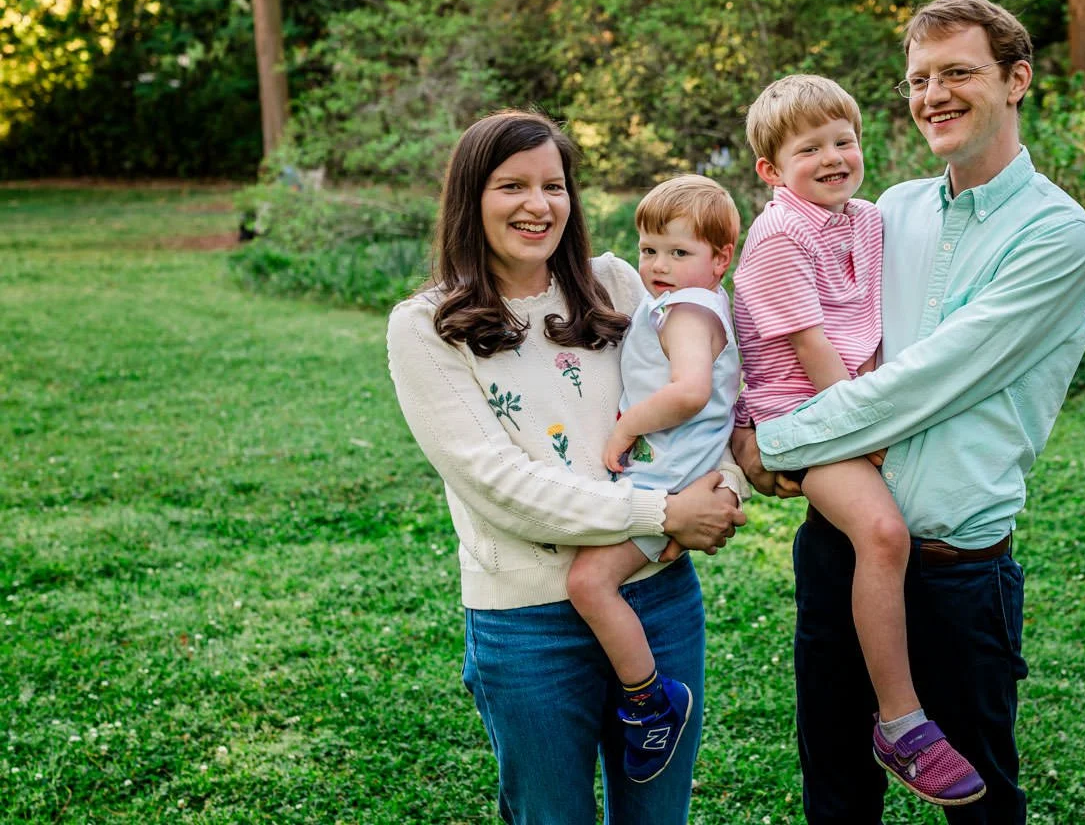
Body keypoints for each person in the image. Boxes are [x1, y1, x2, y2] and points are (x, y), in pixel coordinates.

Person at [731, 0, 1085, 824]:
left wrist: (769, 443)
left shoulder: (1057, 237)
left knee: (980, 804)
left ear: (1017, 81)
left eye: (958, 73)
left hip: (955, 572)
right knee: (834, 793)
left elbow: (925, 381)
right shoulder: (883, 212)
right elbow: (780, 313)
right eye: (918, 79)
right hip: (840, 551)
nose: (933, 94)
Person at [386, 110, 747, 825]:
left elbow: (712, 390)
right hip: (530, 624)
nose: (538, 205)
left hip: (660, 596)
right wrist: (663, 514)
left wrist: (724, 489)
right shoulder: (425, 326)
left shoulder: (618, 281)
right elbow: (498, 485)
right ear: (470, 199)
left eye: (554, 185)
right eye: (511, 186)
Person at [732, 74, 986, 807]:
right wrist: (870, 430)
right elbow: (813, 348)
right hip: (797, 414)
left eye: (845, 141)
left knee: (882, 533)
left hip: (852, 400)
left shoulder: (866, 219)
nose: (835, 156)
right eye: (810, 148)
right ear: (772, 171)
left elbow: (871, 327)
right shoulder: (778, 234)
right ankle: (901, 723)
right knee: (882, 532)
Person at [566, 175, 742, 785]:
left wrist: (624, 428)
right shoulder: (684, 304)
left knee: (589, 582)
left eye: (679, 252)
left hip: (664, 481)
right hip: (666, 476)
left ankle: (650, 705)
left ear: (721, 258)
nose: (659, 265)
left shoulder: (688, 311)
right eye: (649, 250)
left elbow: (691, 391)